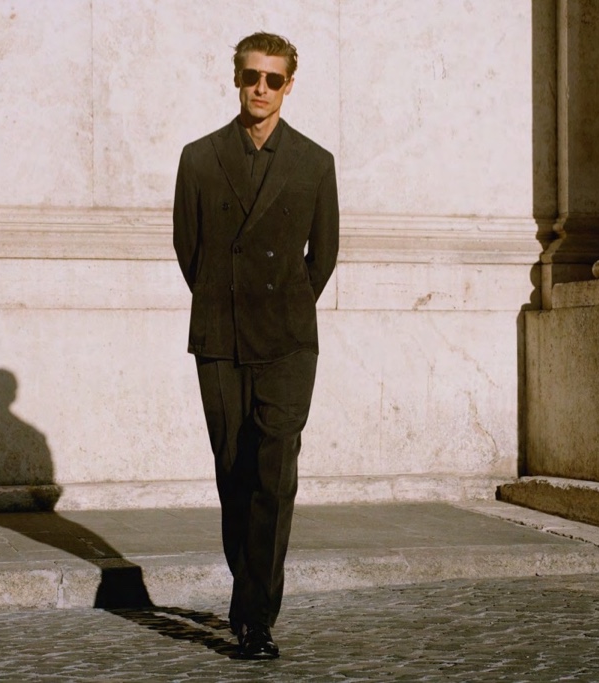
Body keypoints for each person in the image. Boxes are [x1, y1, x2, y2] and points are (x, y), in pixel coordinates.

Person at [173, 31, 339, 659]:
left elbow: (322, 257)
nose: (260, 89)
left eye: (273, 79)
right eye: (251, 77)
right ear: (236, 78)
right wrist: (225, 300)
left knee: (275, 474)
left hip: (289, 341)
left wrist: (281, 304)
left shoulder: (315, 162)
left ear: (289, 85)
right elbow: (188, 250)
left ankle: (255, 618)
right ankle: (249, 593)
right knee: (234, 473)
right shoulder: (198, 157)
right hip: (219, 335)